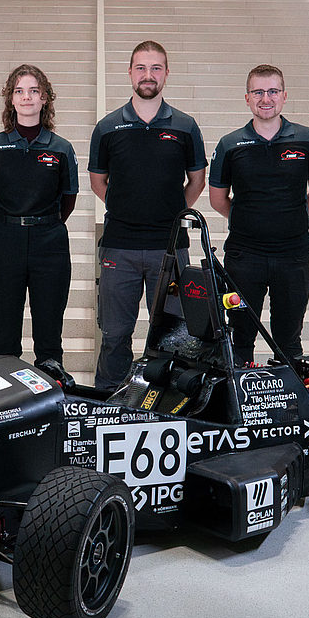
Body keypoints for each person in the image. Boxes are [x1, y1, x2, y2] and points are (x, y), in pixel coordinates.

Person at [89, 40, 207, 390]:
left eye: (156, 68)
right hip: (119, 247)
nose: (148, 75)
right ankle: (108, 402)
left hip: (169, 249)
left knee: (175, 337)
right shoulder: (107, 127)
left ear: (166, 73)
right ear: (130, 73)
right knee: (114, 335)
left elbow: (197, 180)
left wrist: (171, 213)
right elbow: (98, 181)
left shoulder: (185, 126)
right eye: (141, 68)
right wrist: (126, 206)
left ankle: (168, 404)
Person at [208, 64, 309, 364]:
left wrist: (292, 218)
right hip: (244, 257)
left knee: (289, 341)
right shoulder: (229, 144)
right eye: (258, 92)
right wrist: (248, 221)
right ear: (247, 98)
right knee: (240, 340)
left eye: (273, 91)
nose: (266, 98)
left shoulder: (307, 140)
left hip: (293, 257)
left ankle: (288, 394)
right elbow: (217, 199)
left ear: (284, 96)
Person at [0, 65, 79, 366]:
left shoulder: (61, 148)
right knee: (5, 334)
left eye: (34, 91)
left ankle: (51, 385)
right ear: (11, 98)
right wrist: (13, 223)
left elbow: (68, 200)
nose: (27, 97)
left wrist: (42, 225)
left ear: (45, 98)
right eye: (19, 91)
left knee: (49, 334)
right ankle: (8, 390)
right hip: (5, 240)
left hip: (50, 243)